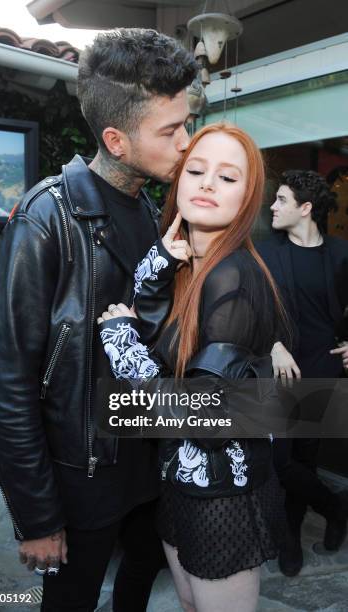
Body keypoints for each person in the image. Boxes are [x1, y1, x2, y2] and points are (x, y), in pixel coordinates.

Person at [0, 28, 197, 612]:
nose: (187, 142)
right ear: (116, 140)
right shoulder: (46, 218)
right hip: (84, 476)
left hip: (148, 463)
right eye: (171, 129)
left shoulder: (154, 211)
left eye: (187, 123)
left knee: (141, 577)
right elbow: (8, 384)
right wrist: (37, 516)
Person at [97, 122, 287, 612]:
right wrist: (161, 260)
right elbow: (157, 327)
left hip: (222, 494)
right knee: (187, 602)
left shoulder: (232, 276)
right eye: (197, 170)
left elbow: (203, 418)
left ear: (248, 197)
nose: (206, 183)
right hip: (179, 483)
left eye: (228, 178)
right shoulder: (190, 263)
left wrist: (121, 340)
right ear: (178, 180)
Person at [256, 170, 348, 576]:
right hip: (278, 369)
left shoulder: (341, 254)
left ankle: (290, 539)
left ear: (305, 208)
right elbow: (254, 308)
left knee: (305, 460)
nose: (272, 207)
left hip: (321, 366)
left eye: (280, 200)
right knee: (278, 460)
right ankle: (335, 507)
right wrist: (273, 345)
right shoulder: (264, 251)